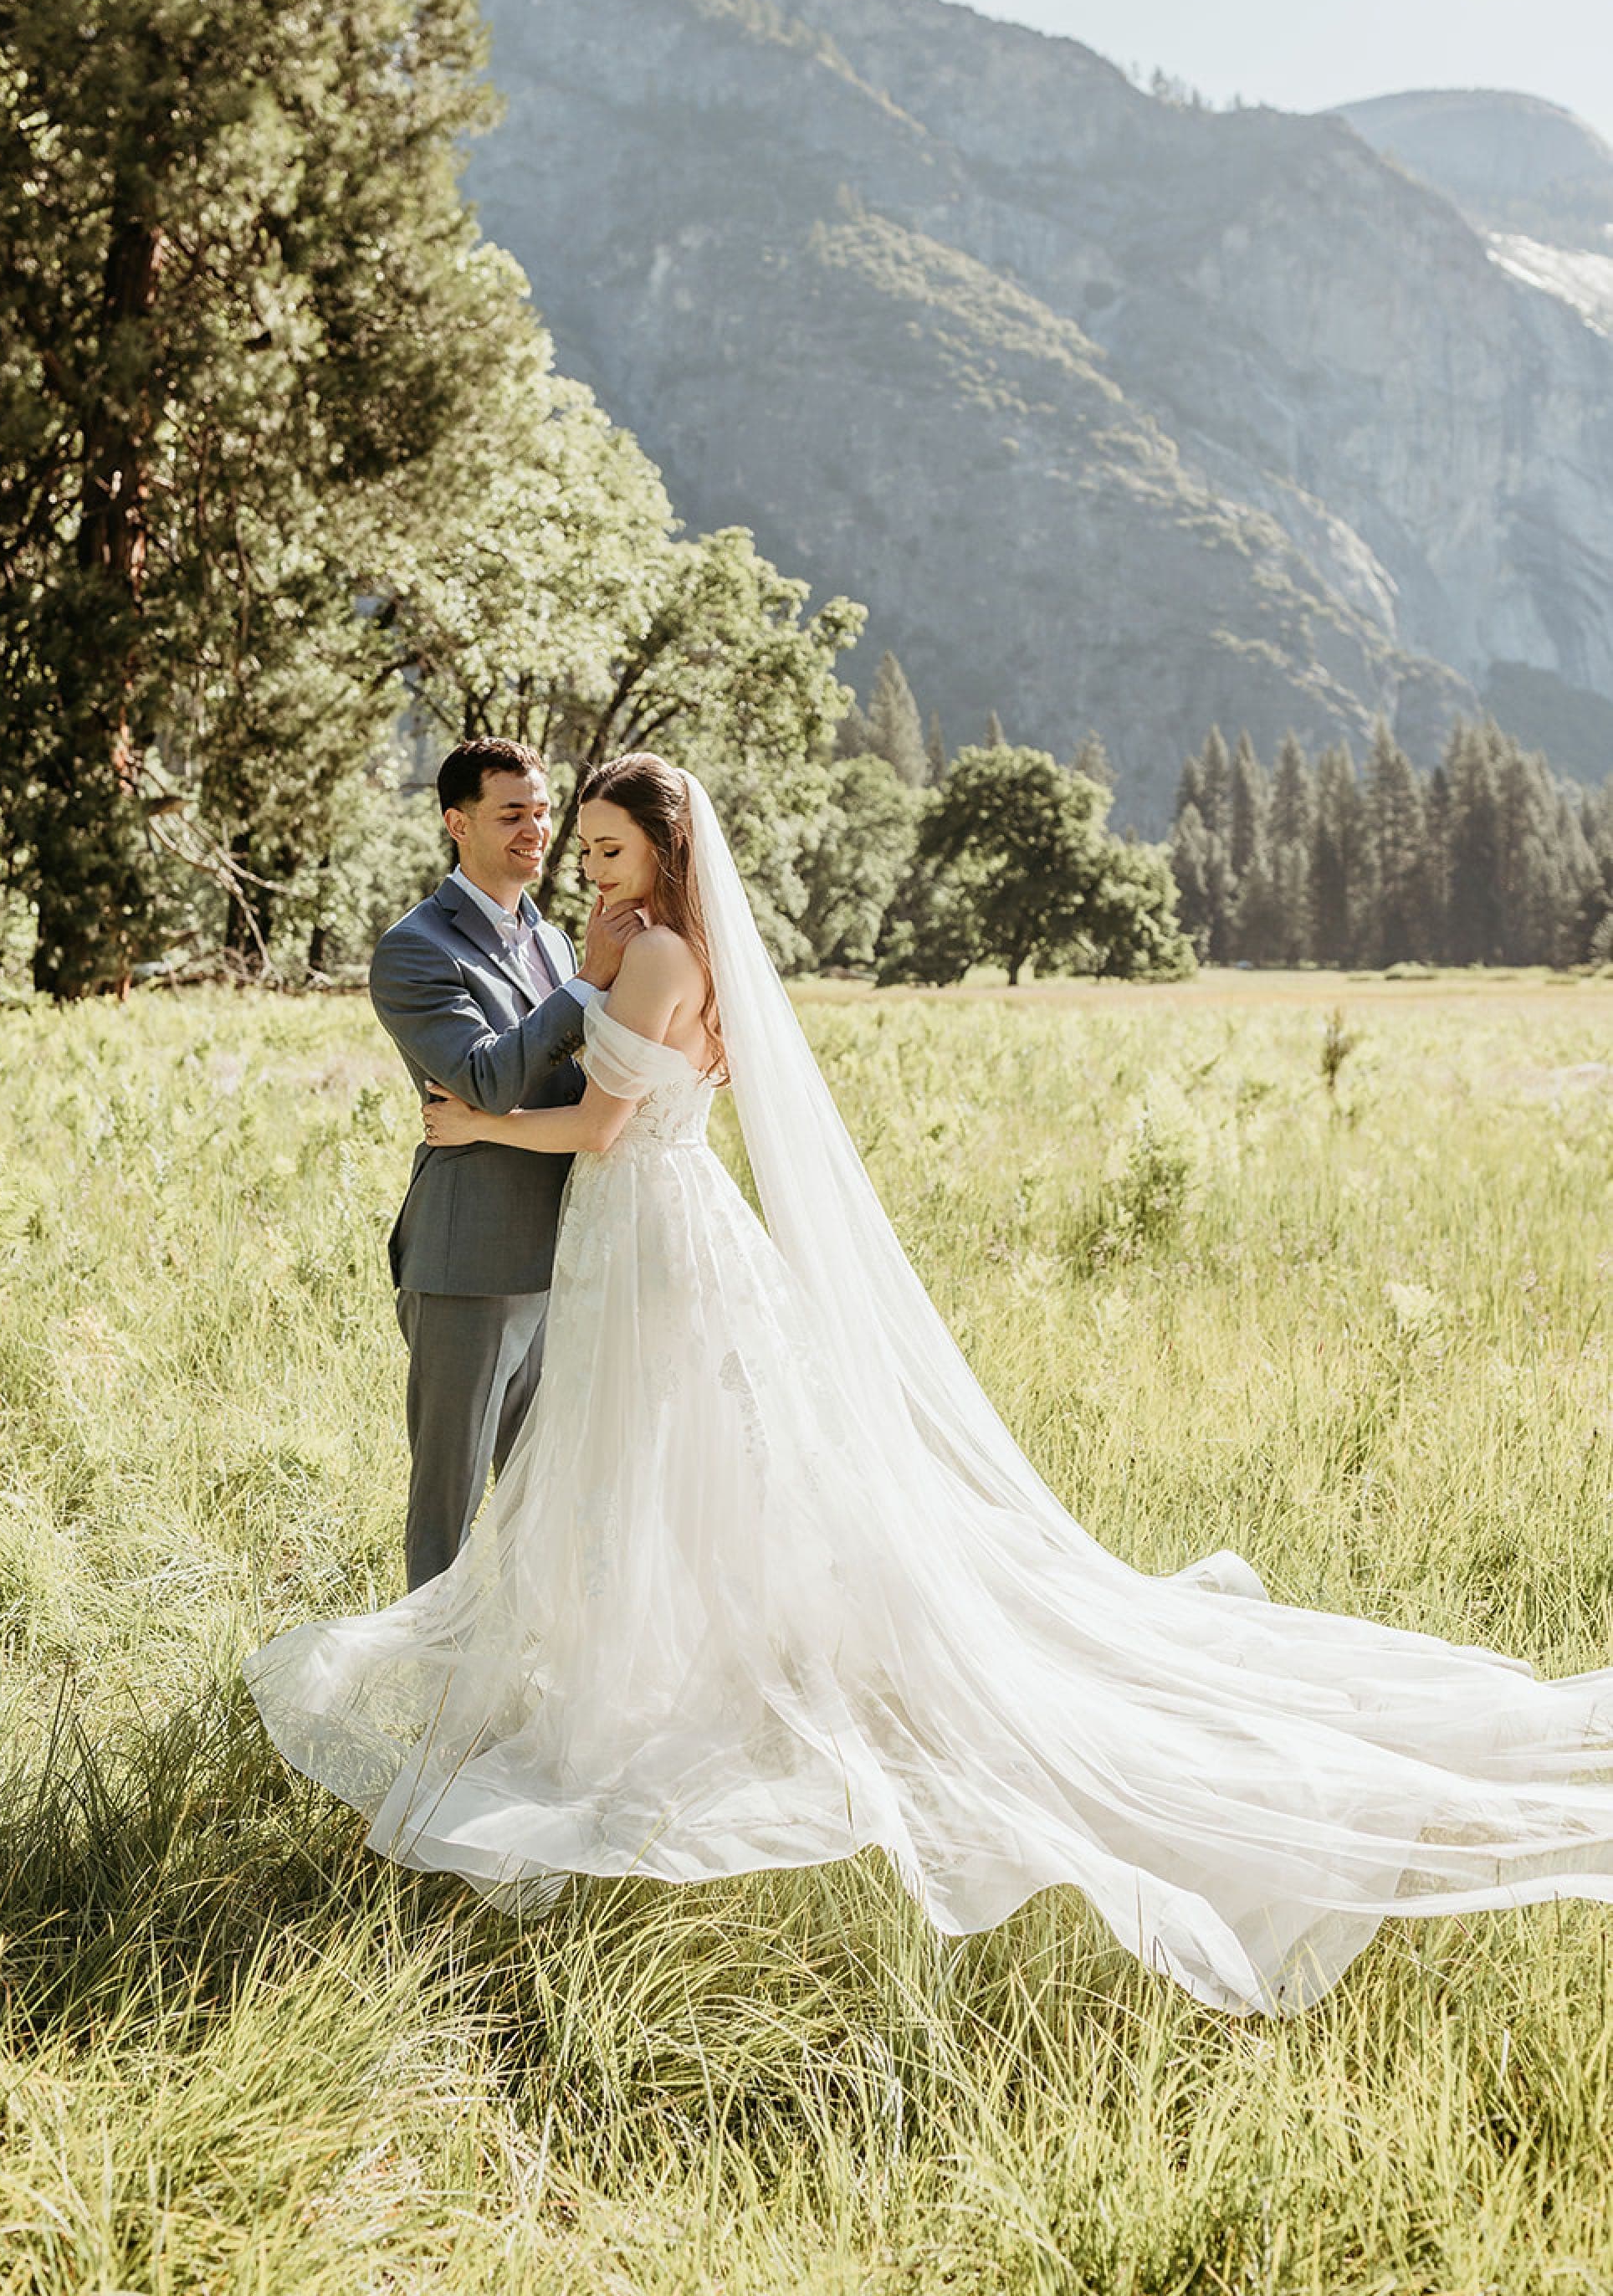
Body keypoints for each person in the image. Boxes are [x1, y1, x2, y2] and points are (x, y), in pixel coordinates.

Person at [248, 754, 1613, 2016]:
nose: (586, 868)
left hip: (643, 1224)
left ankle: (627, 1693)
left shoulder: (651, 953)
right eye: (580, 848)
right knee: (654, 1463)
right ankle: (627, 1668)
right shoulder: (650, 945)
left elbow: (605, 1125)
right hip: (636, 1231)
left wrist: (480, 1119)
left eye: (607, 847)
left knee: (649, 1461)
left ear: (664, 851)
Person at [365, 736, 643, 1589]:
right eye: (511, 813)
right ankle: (430, 1670)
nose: (536, 830)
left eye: (542, 811)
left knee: (538, 1492)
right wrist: (591, 982)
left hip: (565, 1249)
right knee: (447, 1508)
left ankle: (516, 1659)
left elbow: (575, 1075)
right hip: (472, 1257)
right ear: (458, 823)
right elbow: (484, 1076)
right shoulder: (416, 948)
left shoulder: (552, 939)